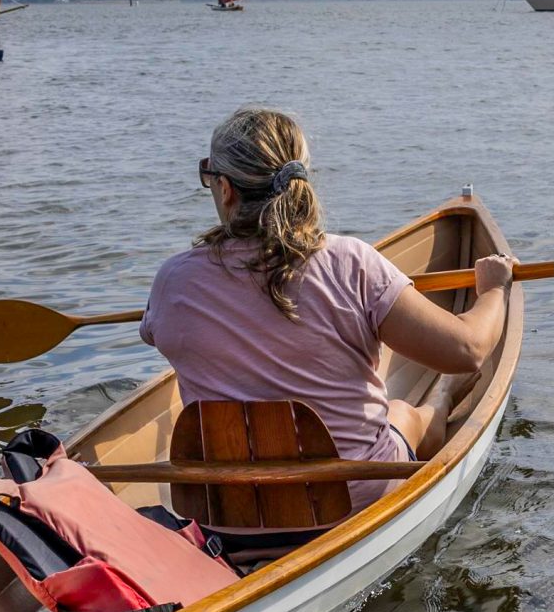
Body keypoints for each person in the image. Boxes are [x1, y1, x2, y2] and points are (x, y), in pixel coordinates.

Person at [140, 107, 513, 510]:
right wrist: (494, 289)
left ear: (226, 188)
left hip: (228, 509)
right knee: (403, 410)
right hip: (351, 498)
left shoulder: (173, 281)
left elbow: (154, 331)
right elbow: (469, 350)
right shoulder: (351, 262)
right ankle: (439, 402)